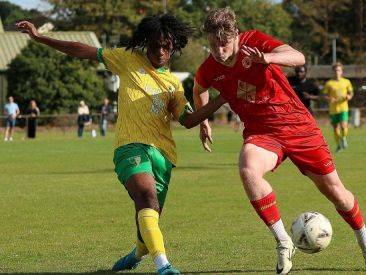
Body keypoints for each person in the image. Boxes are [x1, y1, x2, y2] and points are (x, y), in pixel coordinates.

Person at [17, 14, 225, 275]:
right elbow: (81, 50)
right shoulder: (126, 60)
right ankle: (164, 266)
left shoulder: (173, 84)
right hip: (130, 147)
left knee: (150, 213)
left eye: (166, 46)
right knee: (147, 198)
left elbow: (188, 119)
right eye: (154, 45)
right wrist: (40, 38)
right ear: (145, 43)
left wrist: (221, 100)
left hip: (163, 155)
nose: (160, 51)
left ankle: (138, 252)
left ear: (174, 47)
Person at [193, 8, 366, 274]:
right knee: (248, 169)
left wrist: (268, 58)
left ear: (235, 36)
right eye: (213, 45)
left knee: (336, 193)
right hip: (262, 132)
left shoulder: (254, 41)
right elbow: (199, 87)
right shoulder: (210, 68)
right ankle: (284, 241)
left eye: (223, 44)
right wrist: (204, 122)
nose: (218, 50)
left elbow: (297, 57)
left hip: (299, 128)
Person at [323, 62, 354, 152]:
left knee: (344, 126)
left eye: (339, 70)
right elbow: (324, 95)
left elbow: (351, 92)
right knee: (336, 128)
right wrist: (329, 99)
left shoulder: (346, 81)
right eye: (336, 70)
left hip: (344, 108)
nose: (337, 72)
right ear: (333, 71)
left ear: (341, 71)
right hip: (333, 109)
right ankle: (338, 145)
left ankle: (343, 138)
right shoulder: (329, 83)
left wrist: (349, 96)